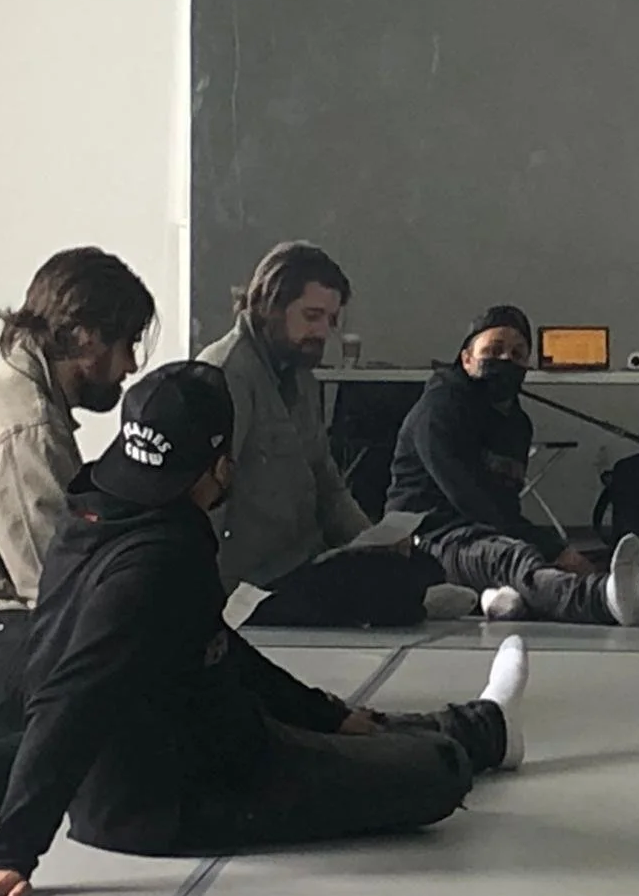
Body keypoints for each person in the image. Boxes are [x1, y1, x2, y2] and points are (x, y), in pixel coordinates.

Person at [0, 362, 530, 896]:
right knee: (435, 767)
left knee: (355, 726)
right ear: (218, 465)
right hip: (187, 798)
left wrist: (325, 713)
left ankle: (486, 725)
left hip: (181, 749)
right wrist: (10, 856)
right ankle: (482, 735)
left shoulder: (93, 510)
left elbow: (211, 644)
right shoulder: (160, 557)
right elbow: (70, 698)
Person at [0, 248, 155, 770]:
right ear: (83, 335)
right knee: (134, 682)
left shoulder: (23, 407)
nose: (130, 365)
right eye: (127, 342)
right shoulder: (23, 427)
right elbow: (61, 588)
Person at [198, 242, 474, 627]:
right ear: (269, 306)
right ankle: (407, 602)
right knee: (384, 590)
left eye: (330, 320)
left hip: (301, 559)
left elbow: (327, 481)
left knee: (420, 565)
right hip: (250, 584)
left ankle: (403, 595)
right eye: (312, 316)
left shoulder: (300, 377)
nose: (322, 332)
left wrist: (374, 539)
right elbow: (202, 496)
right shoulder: (226, 375)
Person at [386, 305, 639, 626]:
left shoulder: (517, 424)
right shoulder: (439, 409)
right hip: (432, 539)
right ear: (467, 359)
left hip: (490, 536)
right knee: (513, 558)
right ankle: (599, 600)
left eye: (517, 353)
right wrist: (553, 550)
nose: (506, 359)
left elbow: (506, 507)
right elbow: (473, 501)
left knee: (636, 568)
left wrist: (560, 553)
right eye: (493, 350)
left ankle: (496, 598)